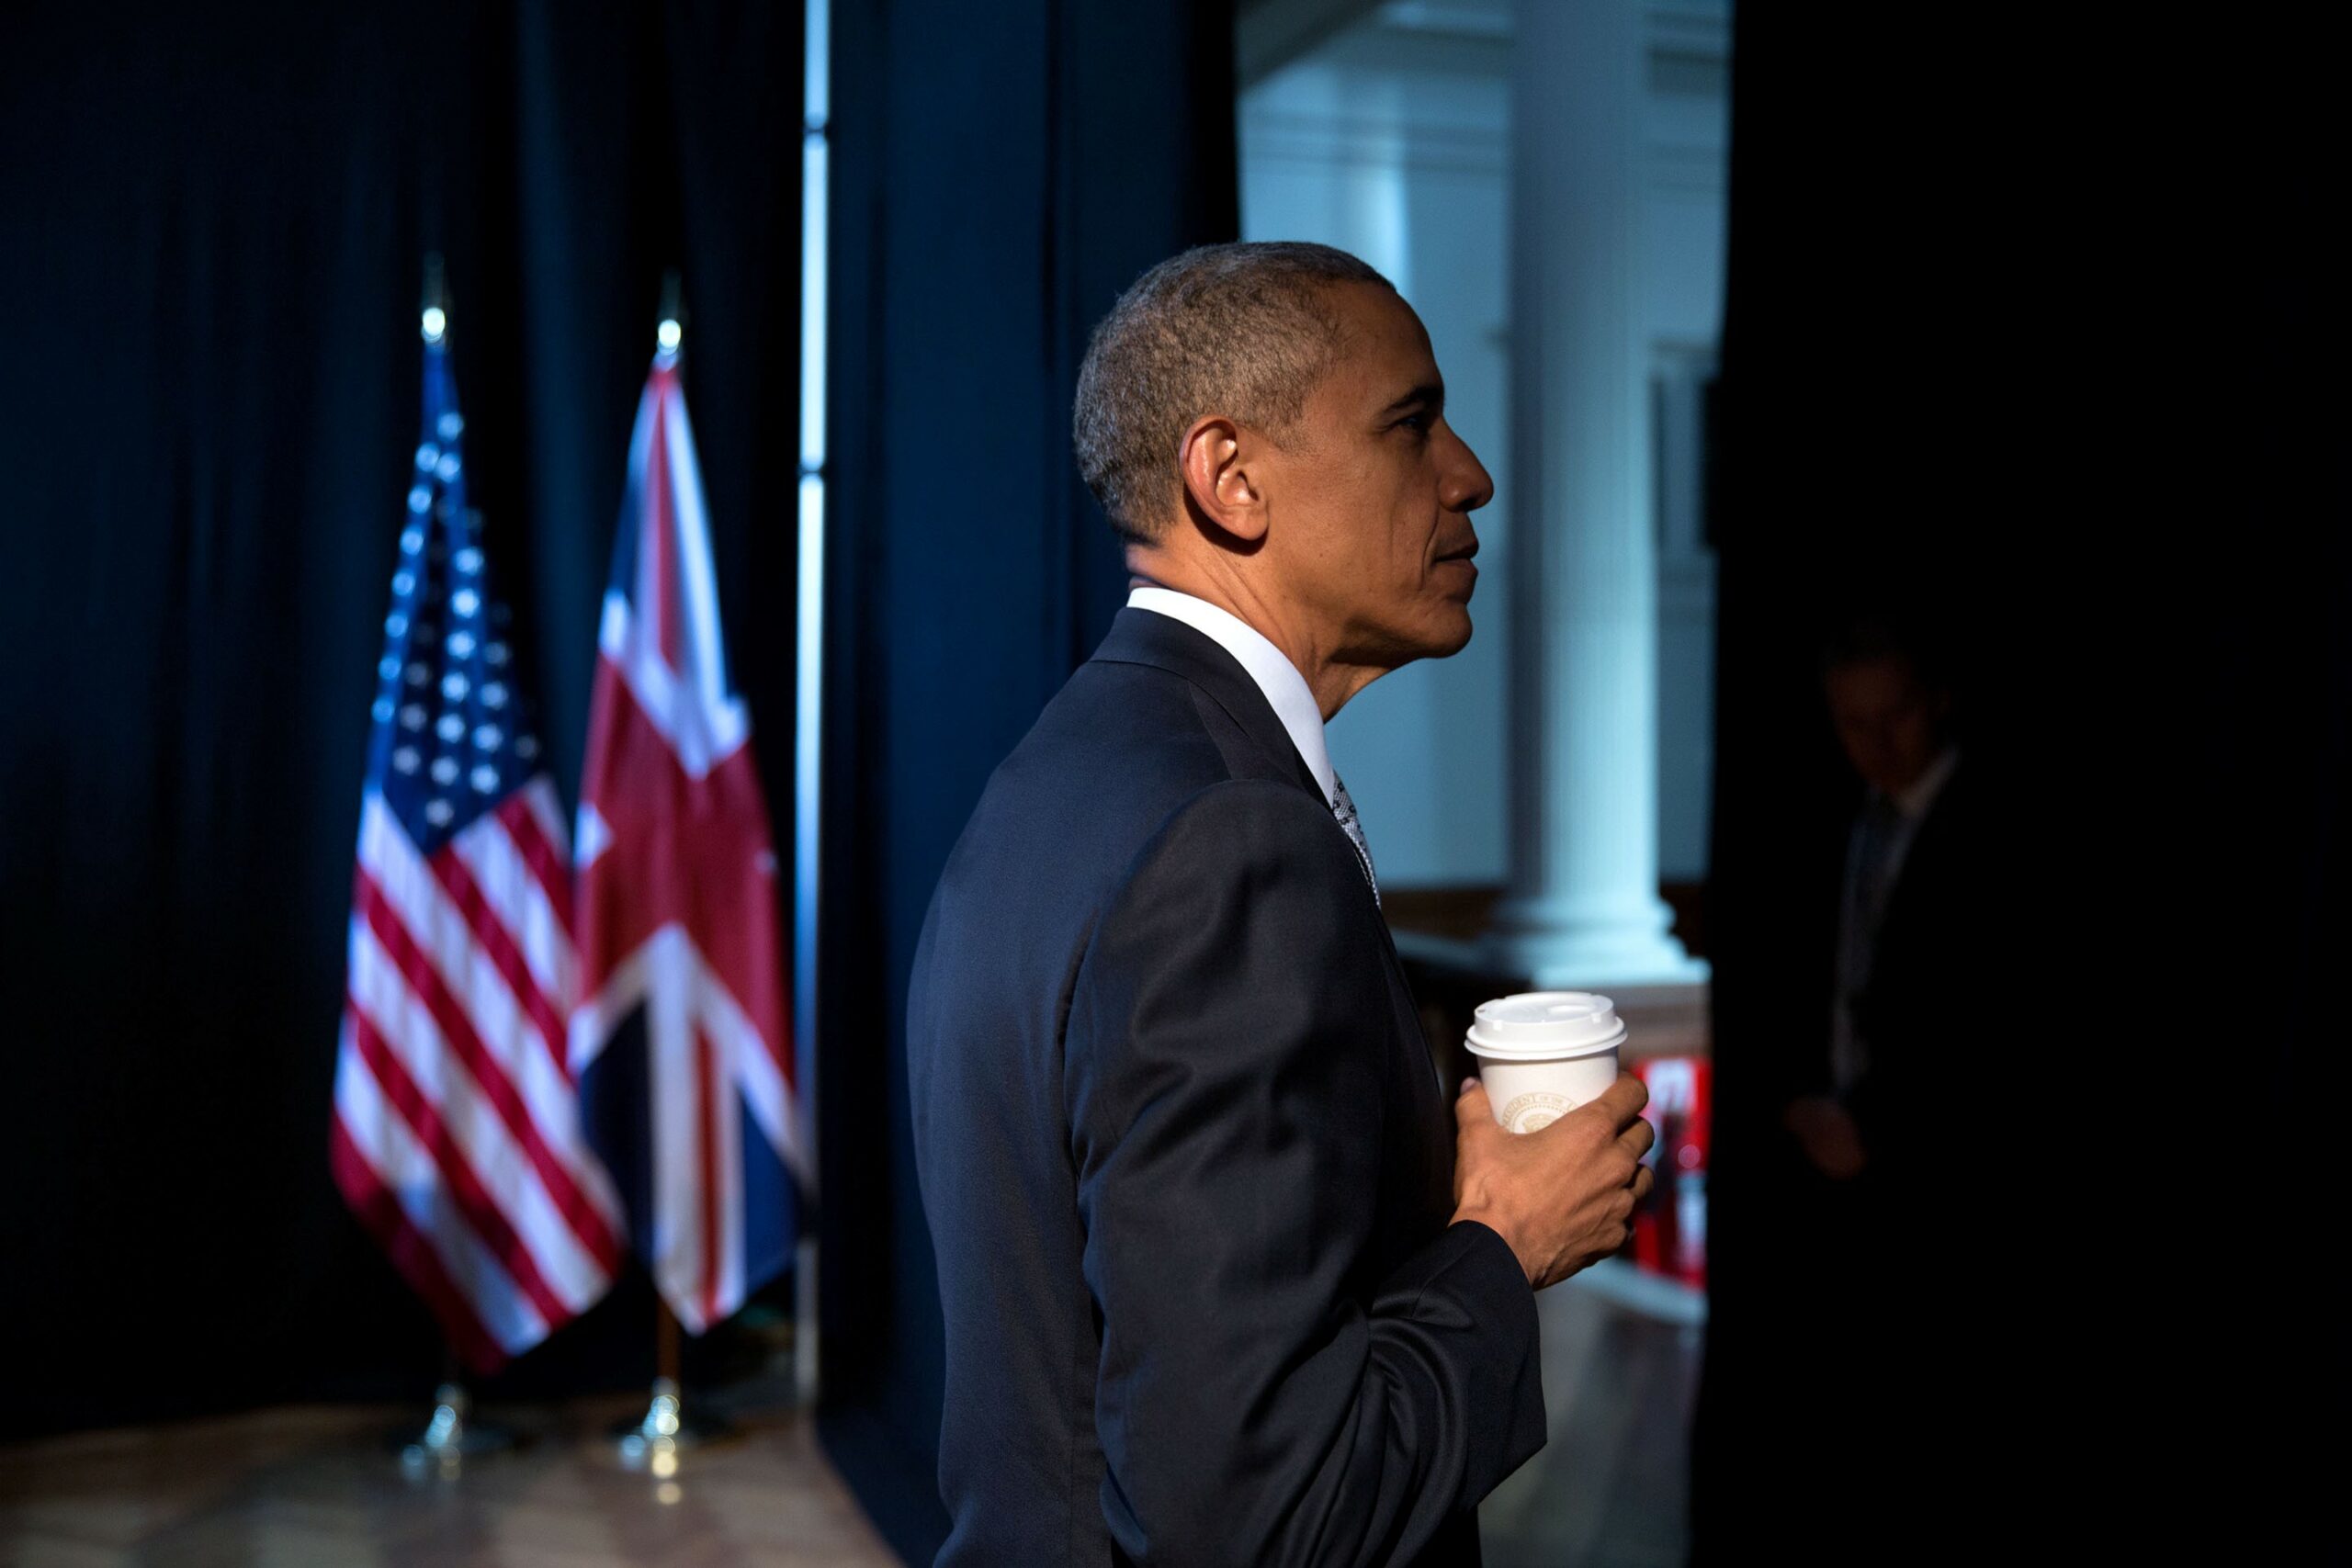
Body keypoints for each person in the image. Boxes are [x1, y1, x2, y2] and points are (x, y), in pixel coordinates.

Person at [905, 241, 1657, 1566]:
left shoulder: (1071, 769)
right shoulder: (1230, 842)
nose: (1470, 474)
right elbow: (1257, 1514)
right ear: (1231, 478)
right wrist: (1503, 1241)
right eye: (1411, 423)